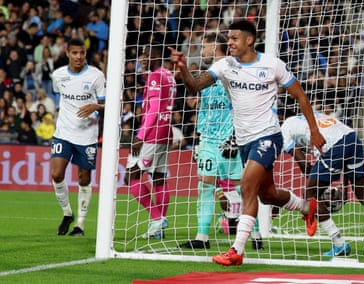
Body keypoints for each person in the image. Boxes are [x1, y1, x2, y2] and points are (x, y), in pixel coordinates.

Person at [169, 19, 326, 266]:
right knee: (267, 195)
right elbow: (194, 86)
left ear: (249, 40)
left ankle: (237, 251)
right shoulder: (225, 65)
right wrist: (183, 67)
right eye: (228, 38)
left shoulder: (272, 65)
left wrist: (314, 131)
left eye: (234, 38)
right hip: (244, 141)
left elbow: (300, 96)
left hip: (268, 136)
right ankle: (307, 207)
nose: (229, 42)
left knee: (246, 185)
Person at [178, 32, 263, 250]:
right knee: (204, 186)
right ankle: (201, 237)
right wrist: (199, 138)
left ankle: (255, 234)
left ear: (216, 46)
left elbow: (243, 105)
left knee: (243, 188)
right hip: (208, 139)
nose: (201, 50)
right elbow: (197, 97)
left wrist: (235, 136)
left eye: (205, 46)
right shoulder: (207, 74)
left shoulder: (231, 71)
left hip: (229, 139)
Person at [281, 112, 364, 256]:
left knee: (310, 197)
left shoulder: (284, 129)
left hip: (335, 145)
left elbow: (304, 164)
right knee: (363, 195)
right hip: (352, 138)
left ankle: (339, 244)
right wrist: (344, 189)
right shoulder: (311, 117)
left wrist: (316, 180)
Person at [50, 38, 106, 237]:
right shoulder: (58, 75)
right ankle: (67, 213)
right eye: (75, 53)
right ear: (67, 54)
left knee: (84, 179)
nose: (79, 57)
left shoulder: (96, 76)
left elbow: (107, 104)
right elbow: (60, 96)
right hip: (63, 132)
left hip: (87, 135)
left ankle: (80, 225)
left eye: (82, 53)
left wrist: (96, 107)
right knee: (56, 174)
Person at [124, 43, 177, 239]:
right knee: (159, 177)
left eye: (146, 54)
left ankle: (157, 219)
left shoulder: (155, 76)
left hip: (152, 134)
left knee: (131, 176)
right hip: (166, 132)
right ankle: (159, 227)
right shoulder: (169, 75)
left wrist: (139, 137)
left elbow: (154, 109)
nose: (142, 58)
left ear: (156, 55)